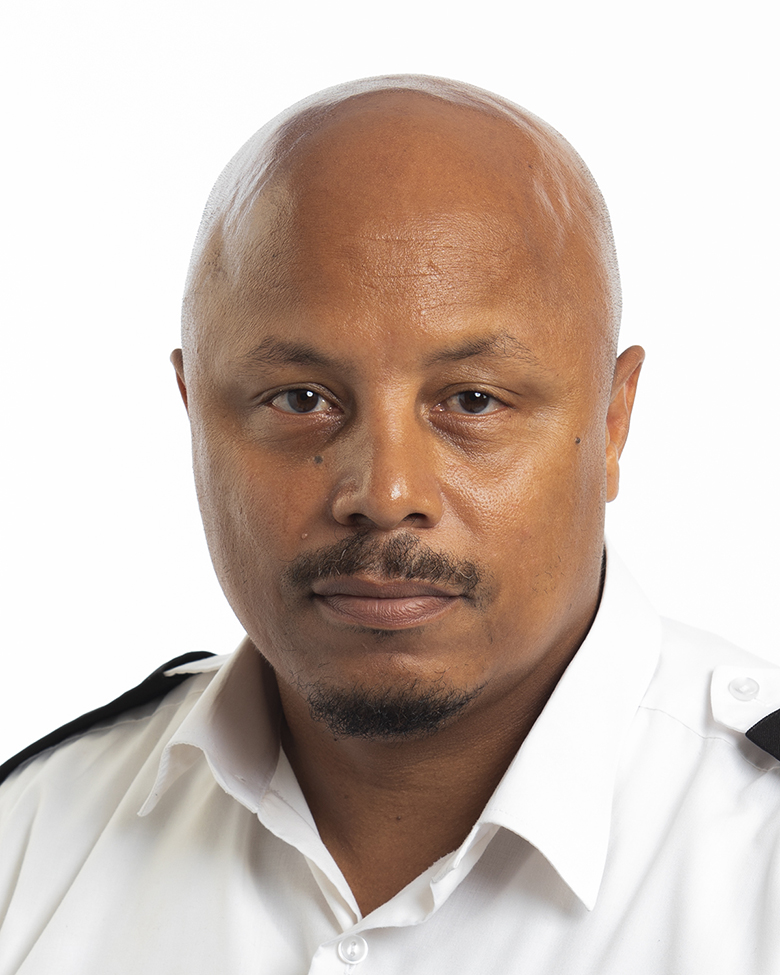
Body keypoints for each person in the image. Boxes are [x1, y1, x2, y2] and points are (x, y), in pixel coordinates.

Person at [1, 75, 779, 975]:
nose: (385, 490)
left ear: (612, 421)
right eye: (301, 399)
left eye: (473, 400)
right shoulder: (31, 838)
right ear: (193, 413)